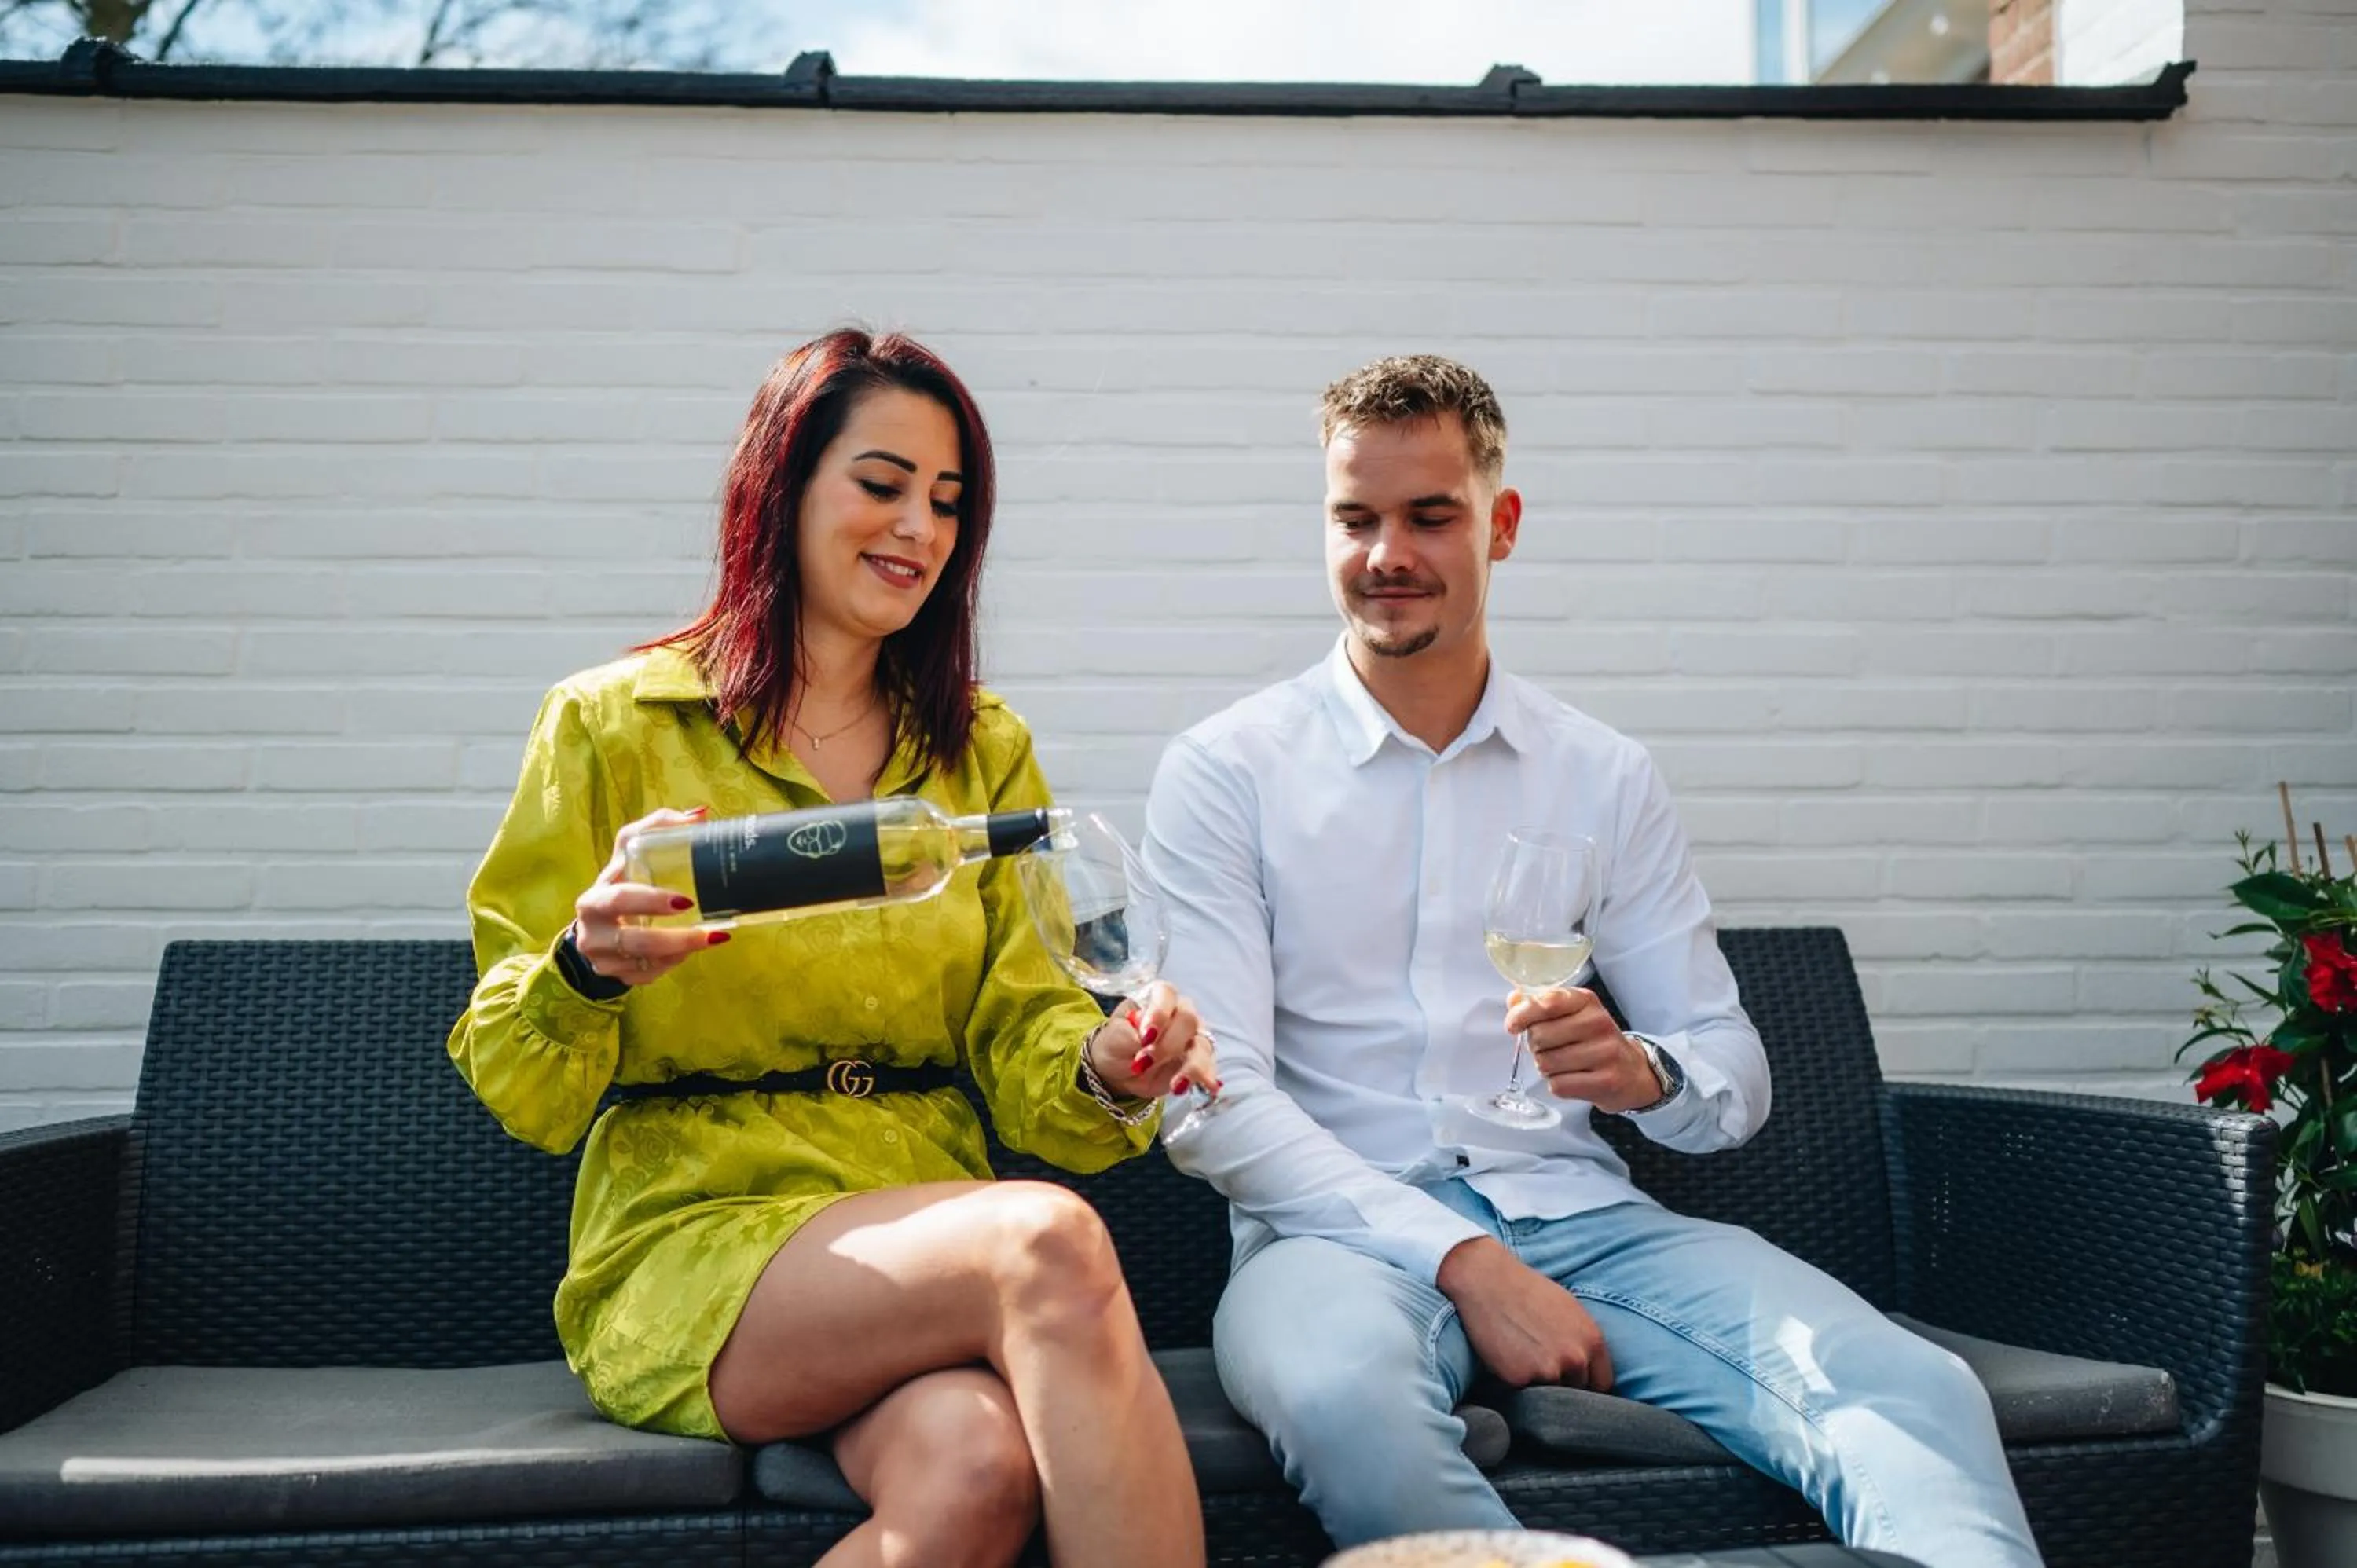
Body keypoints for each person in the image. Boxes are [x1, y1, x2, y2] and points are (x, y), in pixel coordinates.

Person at [1142, 354, 2043, 1566]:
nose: (1387, 554)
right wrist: (1465, 1263)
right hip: (1329, 1242)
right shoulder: (1226, 772)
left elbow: (1729, 1069)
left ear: (1502, 523)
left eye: (1430, 516)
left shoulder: (1602, 773)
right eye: (1356, 519)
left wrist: (1640, 1074)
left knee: (1913, 1388)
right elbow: (1210, 1106)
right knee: (1342, 1399)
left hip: (1584, 1224)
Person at [449, 328, 1215, 1568]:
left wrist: (1108, 1066)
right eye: (883, 484)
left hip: (921, 1230)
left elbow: (1029, 1026)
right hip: (700, 1235)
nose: (920, 527)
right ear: (784, 486)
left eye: (948, 502)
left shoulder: (982, 750)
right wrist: (585, 973)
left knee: (975, 1472)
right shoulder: (613, 724)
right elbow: (516, 1089)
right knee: (1047, 1238)